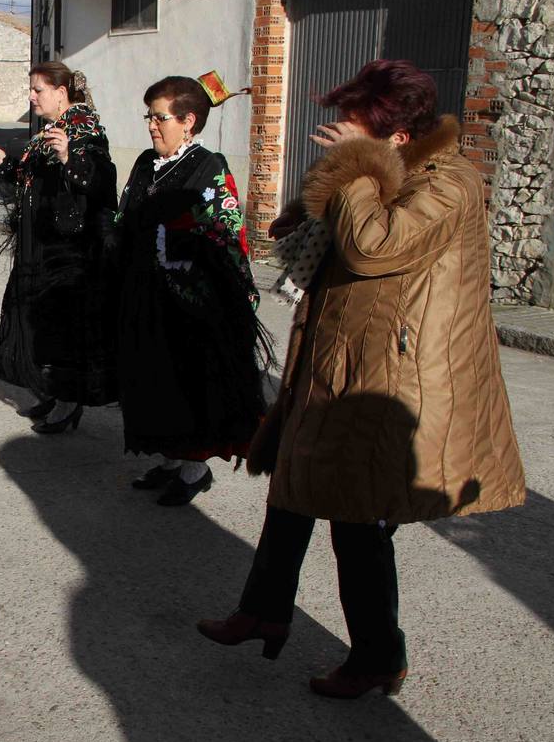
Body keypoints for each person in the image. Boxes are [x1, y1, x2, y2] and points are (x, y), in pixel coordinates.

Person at [197, 60, 526, 698]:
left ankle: (379, 656)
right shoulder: (394, 167)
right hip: (344, 354)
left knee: (358, 517)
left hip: (395, 373)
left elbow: (376, 246)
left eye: (352, 123)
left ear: (395, 135)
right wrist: (312, 202)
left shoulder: (449, 182)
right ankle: (264, 609)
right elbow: (337, 226)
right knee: (295, 485)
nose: (337, 132)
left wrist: (352, 170)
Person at [114, 74, 270, 506]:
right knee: (150, 380)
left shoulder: (208, 166)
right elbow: (127, 215)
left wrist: (177, 237)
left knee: (185, 384)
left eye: (159, 117)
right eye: (148, 115)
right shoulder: (147, 162)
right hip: (144, 295)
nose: (151, 124)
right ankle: (168, 458)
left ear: (188, 121)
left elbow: (227, 233)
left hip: (187, 302)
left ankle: (194, 469)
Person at [0, 62, 118, 433]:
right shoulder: (52, 131)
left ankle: (69, 401)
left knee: (63, 326)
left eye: (37, 89)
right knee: (40, 322)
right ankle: (55, 395)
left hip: (66, 253)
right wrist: (6, 163)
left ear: (61, 93)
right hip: (41, 246)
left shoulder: (86, 132)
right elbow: (34, 178)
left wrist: (69, 158)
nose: (31, 95)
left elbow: (101, 181)